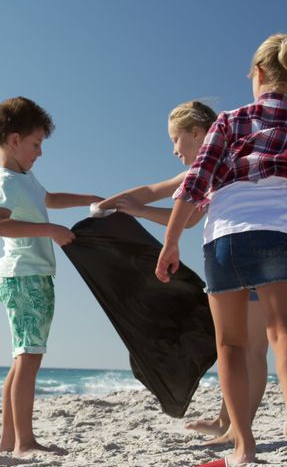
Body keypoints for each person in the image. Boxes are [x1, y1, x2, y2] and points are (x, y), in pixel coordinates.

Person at [155, 22, 287, 467]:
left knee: (230, 345)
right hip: (278, 238)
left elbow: (195, 184)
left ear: (257, 73)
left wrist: (170, 244)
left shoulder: (228, 121)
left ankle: (243, 443)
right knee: (286, 334)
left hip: (222, 240)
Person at [98, 101, 269, 447]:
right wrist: (112, 204)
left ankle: (238, 429)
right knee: (235, 347)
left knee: (250, 349)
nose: (173, 149)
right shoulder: (214, 165)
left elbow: (186, 218)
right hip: (255, 254)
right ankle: (227, 420)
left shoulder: (218, 162)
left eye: (176, 139)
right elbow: (156, 193)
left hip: (247, 251)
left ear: (197, 133)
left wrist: (139, 210)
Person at [0, 96, 102, 456]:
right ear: (14, 140)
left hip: (27, 276)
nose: (40, 152)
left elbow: (48, 198)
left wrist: (88, 198)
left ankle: (9, 441)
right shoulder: (5, 180)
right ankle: (25, 442)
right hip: (24, 276)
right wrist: (51, 232)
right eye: (36, 144)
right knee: (30, 358)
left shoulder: (25, 178)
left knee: (23, 357)